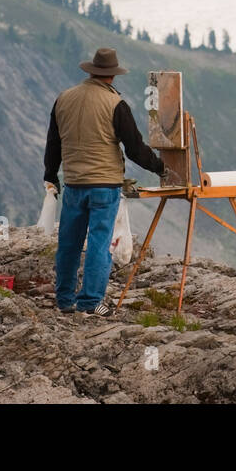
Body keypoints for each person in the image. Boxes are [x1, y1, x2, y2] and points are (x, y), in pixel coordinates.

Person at [43, 47, 169, 316]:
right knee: (100, 243)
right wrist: (160, 167)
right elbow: (134, 148)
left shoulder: (63, 99)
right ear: (113, 75)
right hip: (104, 185)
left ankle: (65, 300)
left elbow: (53, 142)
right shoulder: (115, 104)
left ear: (90, 70)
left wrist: (50, 174)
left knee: (68, 243)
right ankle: (90, 303)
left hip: (74, 183)